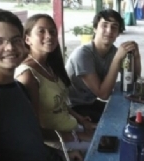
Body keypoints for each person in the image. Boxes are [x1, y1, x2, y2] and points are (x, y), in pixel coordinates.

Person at [0, 8, 81, 161]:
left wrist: (63, 154)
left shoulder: (18, 87)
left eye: (16, 40)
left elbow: (32, 139)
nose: (10, 48)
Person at [15, 14, 95, 151]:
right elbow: (34, 127)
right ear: (27, 39)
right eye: (41, 31)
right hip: (57, 141)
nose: (49, 36)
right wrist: (76, 136)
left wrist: (81, 120)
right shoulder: (27, 75)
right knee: (110, 151)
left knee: (112, 136)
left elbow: (60, 103)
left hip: (72, 127)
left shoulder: (49, 65)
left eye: (52, 31)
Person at [66, 9, 141, 123]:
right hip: (72, 108)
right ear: (95, 28)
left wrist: (136, 56)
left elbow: (133, 79)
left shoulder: (114, 52)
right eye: (104, 25)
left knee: (130, 115)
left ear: (118, 32)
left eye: (114, 27)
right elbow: (103, 94)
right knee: (119, 122)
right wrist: (117, 59)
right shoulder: (83, 54)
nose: (109, 31)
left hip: (90, 103)